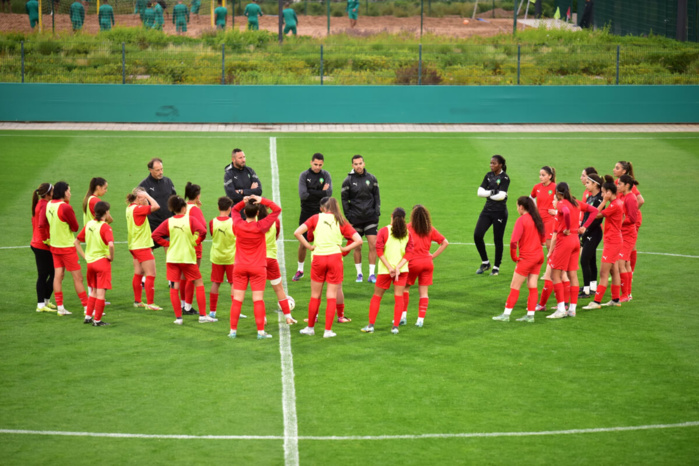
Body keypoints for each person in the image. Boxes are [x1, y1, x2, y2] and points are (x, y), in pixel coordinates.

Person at [295, 197, 362, 338]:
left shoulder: (315, 218)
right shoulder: (341, 220)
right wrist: (344, 249)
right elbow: (359, 240)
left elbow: (297, 232)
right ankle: (328, 331)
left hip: (318, 258)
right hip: (335, 259)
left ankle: (310, 328)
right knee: (331, 296)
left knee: (315, 295)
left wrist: (308, 246)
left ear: (322, 208)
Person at [152, 195, 215, 325]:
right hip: (187, 258)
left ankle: (178, 318)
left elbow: (155, 235)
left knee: (174, 287)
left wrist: (167, 244)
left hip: (173, 258)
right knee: (199, 284)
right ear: (183, 207)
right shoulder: (190, 220)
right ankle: (203, 316)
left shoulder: (168, 221)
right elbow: (203, 231)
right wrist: (197, 241)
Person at [228, 195, 281, 339]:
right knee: (258, 299)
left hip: (239, 266)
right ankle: (260, 332)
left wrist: (242, 202)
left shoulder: (238, 224)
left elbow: (233, 210)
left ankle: (233, 331)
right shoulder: (261, 226)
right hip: (258, 267)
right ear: (258, 213)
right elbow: (277, 210)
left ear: (244, 212)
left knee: (238, 299)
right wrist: (262, 200)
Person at [546, 182, 598, 319]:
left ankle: (561, 309)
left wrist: (567, 227)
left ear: (558, 193)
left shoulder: (562, 203)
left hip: (565, 241)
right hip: (576, 240)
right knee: (572, 275)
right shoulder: (576, 202)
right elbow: (595, 211)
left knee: (555, 275)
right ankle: (572, 310)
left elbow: (567, 213)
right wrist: (584, 227)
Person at [492, 197, 545, 323]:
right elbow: (543, 238)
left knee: (514, 286)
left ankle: (506, 314)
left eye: (517, 206)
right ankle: (530, 315)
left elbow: (513, 242)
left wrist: (514, 257)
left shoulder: (521, 220)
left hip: (527, 258)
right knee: (532, 285)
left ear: (521, 207)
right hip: (539, 256)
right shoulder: (537, 219)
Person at [361, 207, 413, 335]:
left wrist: (390, 268)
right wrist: (398, 267)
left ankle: (371, 325)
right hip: (401, 271)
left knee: (377, 296)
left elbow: (378, 250)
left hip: (385, 271)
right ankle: (395, 327)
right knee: (398, 297)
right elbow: (409, 253)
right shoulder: (407, 233)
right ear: (404, 219)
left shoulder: (385, 231)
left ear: (391, 216)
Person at [400, 204, 448, 328]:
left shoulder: (408, 228)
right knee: (424, 293)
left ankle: (403, 316)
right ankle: (420, 320)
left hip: (412, 263)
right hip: (427, 263)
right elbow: (445, 242)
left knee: (405, 289)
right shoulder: (429, 228)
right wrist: (432, 256)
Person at [45, 181, 88, 316]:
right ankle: (87, 307)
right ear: (64, 192)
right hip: (67, 247)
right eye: (69, 190)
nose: (70, 193)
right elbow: (75, 227)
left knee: (58, 276)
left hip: (55, 246)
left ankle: (60, 307)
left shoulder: (49, 204)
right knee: (78, 278)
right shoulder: (65, 207)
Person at [582, 176, 624, 310]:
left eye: (604, 192)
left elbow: (596, 213)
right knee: (614, 271)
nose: (602, 194)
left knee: (603, 273)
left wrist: (604, 201)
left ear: (610, 193)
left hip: (612, 241)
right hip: (615, 239)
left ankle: (596, 301)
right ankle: (615, 299)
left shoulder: (613, 205)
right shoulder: (617, 203)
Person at [341, 154, 380, 283]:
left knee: (373, 245)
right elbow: (344, 200)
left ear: (364, 163)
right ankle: (359, 274)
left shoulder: (372, 178)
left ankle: (371, 274)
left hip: (370, 218)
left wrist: (376, 213)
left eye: (360, 163)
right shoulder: (348, 181)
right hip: (355, 219)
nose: (358, 166)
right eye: (356, 164)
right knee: (357, 247)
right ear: (352, 165)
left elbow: (376, 197)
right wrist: (349, 216)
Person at [293, 153, 332, 281]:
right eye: (315, 164)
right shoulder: (304, 175)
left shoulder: (326, 175)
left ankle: (321, 271)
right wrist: (321, 192)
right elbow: (303, 195)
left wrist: (314, 193)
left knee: (321, 242)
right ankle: (300, 270)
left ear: (323, 164)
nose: (317, 167)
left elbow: (329, 194)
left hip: (321, 214)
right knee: (303, 243)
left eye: (320, 165)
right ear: (311, 162)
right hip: (306, 212)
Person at [75, 201, 114, 327]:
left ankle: (88, 316)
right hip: (102, 263)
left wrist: (85, 256)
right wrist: (111, 257)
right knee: (101, 293)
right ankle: (97, 320)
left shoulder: (89, 224)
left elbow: (76, 241)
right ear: (106, 212)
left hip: (90, 263)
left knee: (93, 291)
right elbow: (111, 244)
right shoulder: (105, 227)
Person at [258, 204, 297, 325]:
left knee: (259, 292)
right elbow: (276, 236)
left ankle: (262, 319)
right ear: (267, 209)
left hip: (258, 260)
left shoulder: (254, 223)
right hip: (271, 259)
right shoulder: (275, 221)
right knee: (279, 289)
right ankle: (288, 317)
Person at [125, 187, 161, 311]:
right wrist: (147, 196)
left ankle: (138, 301)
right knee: (151, 274)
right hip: (142, 246)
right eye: (144, 197)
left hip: (134, 246)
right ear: (139, 197)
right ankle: (150, 303)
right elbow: (156, 206)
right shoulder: (138, 209)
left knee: (138, 273)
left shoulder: (129, 208)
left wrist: (144, 200)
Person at [474, 154, 509, 276]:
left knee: (497, 239)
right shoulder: (488, 176)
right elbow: (479, 192)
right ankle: (485, 263)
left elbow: (501, 197)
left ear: (500, 165)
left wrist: (487, 193)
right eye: (490, 163)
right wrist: (493, 192)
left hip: (499, 212)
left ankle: (496, 267)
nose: (491, 165)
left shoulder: (505, 178)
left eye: (494, 163)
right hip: (487, 211)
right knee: (477, 235)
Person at [208, 197, 236, 320]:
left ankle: (212, 312)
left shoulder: (212, 222)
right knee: (233, 284)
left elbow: (212, 234)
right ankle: (236, 311)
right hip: (231, 257)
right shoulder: (234, 222)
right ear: (230, 208)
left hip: (217, 257)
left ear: (218, 207)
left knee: (215, 283)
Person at [180, 182, 206, 315]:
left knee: (184, 276)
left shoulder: (182, 207)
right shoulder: (195, 209)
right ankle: (188, 307)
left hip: (182, 245)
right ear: (197, 195)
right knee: (193, 277)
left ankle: (183, 304)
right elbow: (203, 227)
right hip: (193, 246)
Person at [138, 157, 176, 248]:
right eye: (157, 170)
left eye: (161, 169)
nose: (161, 172)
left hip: (167, 223)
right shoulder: (143, 185)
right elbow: (140, 206)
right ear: (150, 170)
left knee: (170, 253)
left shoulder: (168, 181)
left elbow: (174, 199)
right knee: (149, 253)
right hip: (152, 226)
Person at [31, 183, 56, 313]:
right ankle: (41, 304)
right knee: (45, 274)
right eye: (53, 191)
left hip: (38, 243)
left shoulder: (40, 203)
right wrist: (46, 240)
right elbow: (41, 226)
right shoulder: (45, 205)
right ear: (48, 193)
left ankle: (45, 301)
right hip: (42, 245)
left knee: (53, 273)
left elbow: (33, 221)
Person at [578, 173, 604, 299]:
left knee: (584, 260)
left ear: (595, 184)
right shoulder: (590, 198)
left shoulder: (599, 199)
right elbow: (586, 217)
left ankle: (586, 290)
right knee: (591, 260)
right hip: (589, 232)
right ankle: (592, 287)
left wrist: (585, 231)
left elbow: (598, 220)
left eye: (588, 182)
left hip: (594, 233)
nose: (586, 184)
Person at [617, 174, 640, 302]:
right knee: (626, 263)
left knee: (621, 262)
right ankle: (628, 294)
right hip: (623, 233)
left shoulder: (631, 198)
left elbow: (632, 218)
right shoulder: (623, 196)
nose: (618, 186)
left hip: (628, 234)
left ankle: (625, 295)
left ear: (626, 185)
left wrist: (619, 222)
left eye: (619, 184)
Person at [530, 166, 556, 252]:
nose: (540, 177)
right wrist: (534, 209)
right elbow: (531, 198)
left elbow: (564, 202)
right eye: (540, 175)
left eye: (543, 175)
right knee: (537, 243)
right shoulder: (537, 187)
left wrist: (556, 211)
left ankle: (553, 264)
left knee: (549, 245)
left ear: (550, 176)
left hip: (550, 219)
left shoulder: (555, 187)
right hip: (538, 219)